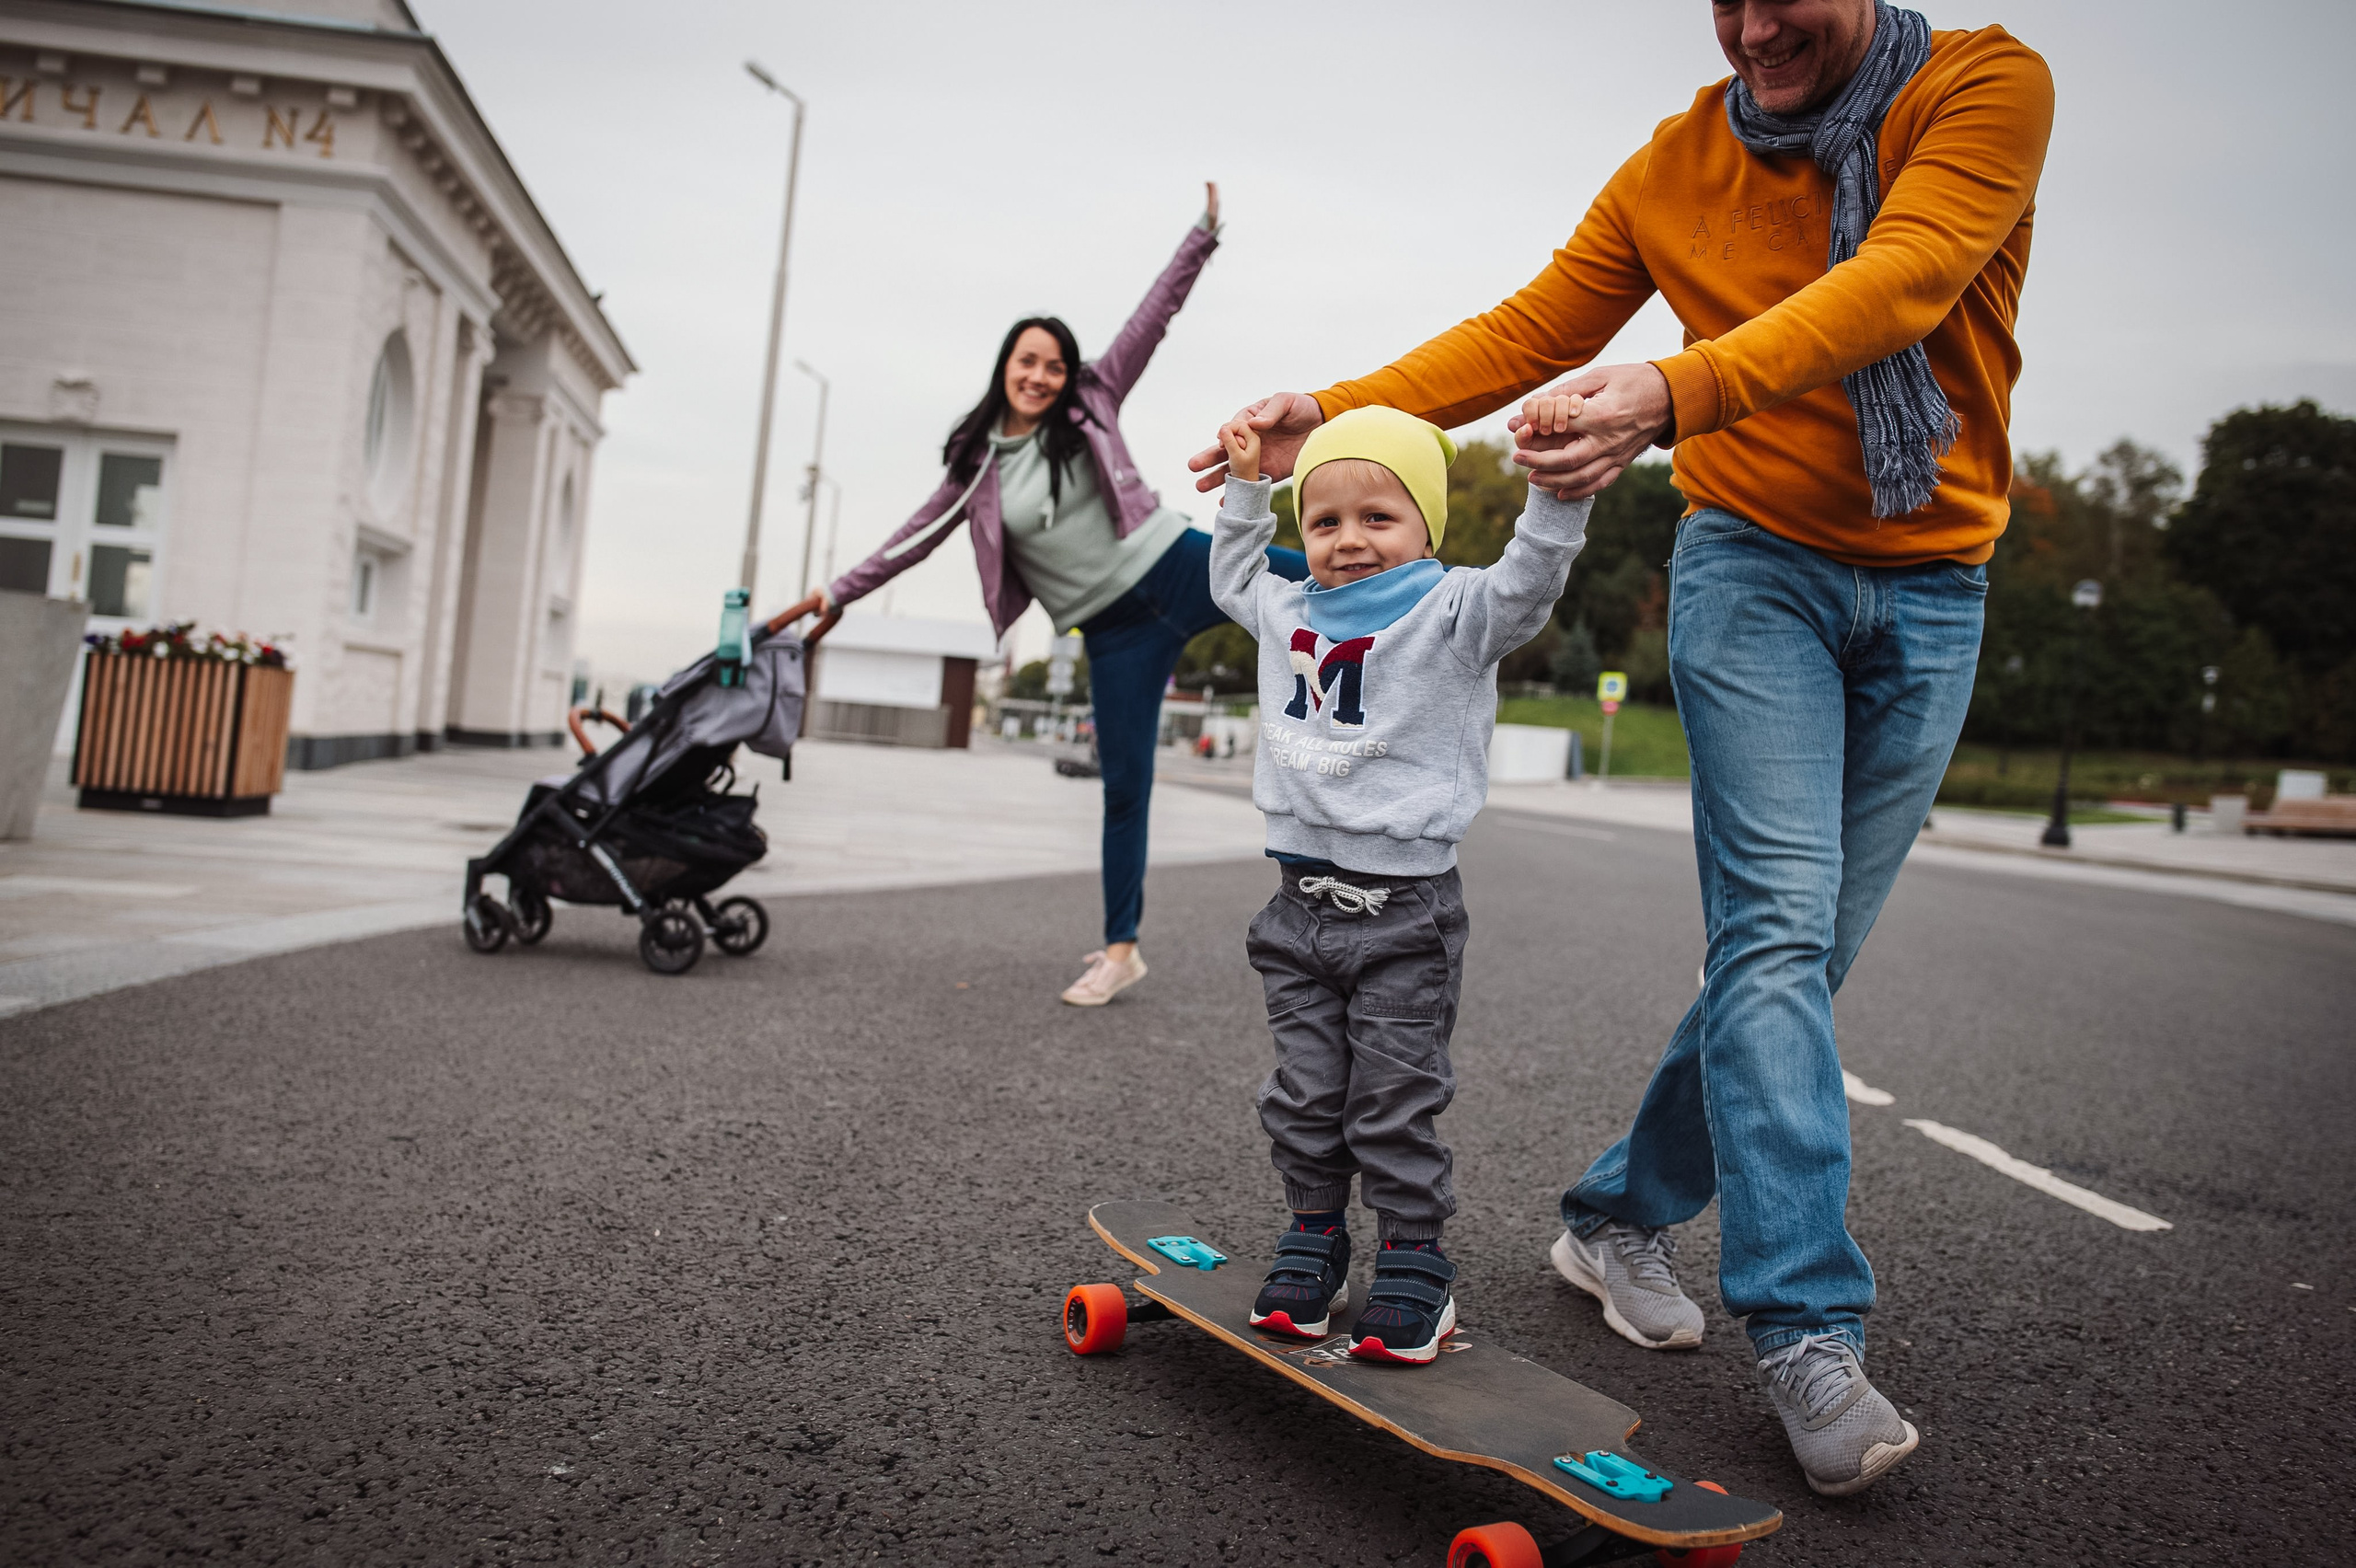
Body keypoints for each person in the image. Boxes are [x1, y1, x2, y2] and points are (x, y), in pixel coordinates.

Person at [1190, 0, 2051, 1493]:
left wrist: (1674, 387)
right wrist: (1326, 411)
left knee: (1798, 960)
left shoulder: (1982, 85)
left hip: (1937, 583)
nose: (1754, 26)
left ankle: (1616, 1215)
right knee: (1776, 937)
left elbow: (1905, 278)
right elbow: (1529, 333)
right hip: (1754, 566)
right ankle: (1808, 1329)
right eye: (1723, 1)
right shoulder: (1676, 166)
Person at [798, 185, 1308, 1007]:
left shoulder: (1093, 401)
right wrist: (836, 593)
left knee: (1314, 573)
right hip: (1112, 633)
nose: (1040, 376)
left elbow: (1152, 320)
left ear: (1069, 374)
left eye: (1053, 365)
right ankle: (1121, 950)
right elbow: (910, 538)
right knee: (1124, 789)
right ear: (1005, 366)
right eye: (1027, 361)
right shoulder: (976, 466)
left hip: (1177, 563)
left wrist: (1202, 236)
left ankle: (1424, 597)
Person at [1210, 403, 1590, 1365]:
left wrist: (1555, 488)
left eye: (1377, 517)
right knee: (1305, 1096)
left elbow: (1531, 579)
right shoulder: (1287, 610)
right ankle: (1315, 1237)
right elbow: (1233, 576)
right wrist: (1249, 489)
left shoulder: (1455, 612)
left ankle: (1416, 1258)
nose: (1349, 540)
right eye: (1325, 521)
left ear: (1427, 526)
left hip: (1404, 915)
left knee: (1391, 1102)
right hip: (1296, 908)